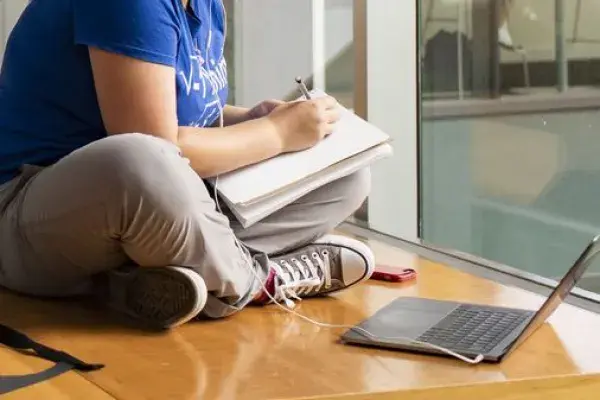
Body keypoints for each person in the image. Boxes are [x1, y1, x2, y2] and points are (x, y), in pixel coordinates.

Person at [0, 0, 374, 329]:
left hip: (132, 214)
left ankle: (146, 280)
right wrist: (275, 133)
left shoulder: (203, 5)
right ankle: (259, 281)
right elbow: (156, 143)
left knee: (345, 176)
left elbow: (178, 114)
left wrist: (253, 120)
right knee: (138, 160)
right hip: (27, 215)